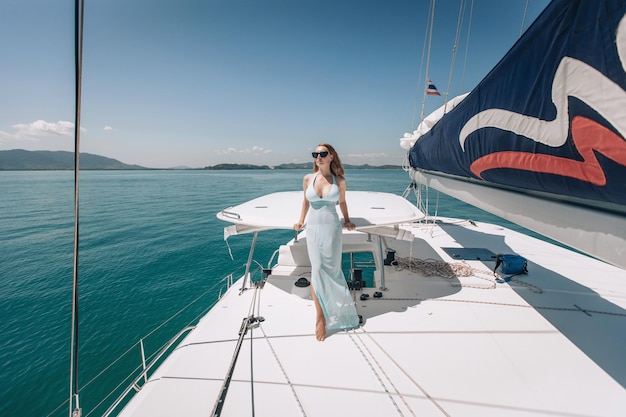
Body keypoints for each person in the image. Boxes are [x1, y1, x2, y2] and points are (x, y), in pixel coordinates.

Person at [294, 143, 360, 341]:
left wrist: (347, 220)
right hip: (313, 228)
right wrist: (300, 221)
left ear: (331, 156)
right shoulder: (308, 178)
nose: (318, 157)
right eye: (315, 154)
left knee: (332, 269)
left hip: (332, 228)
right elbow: (305, 202)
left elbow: (342, 202)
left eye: (323, 153)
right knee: (318, 268)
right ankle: (320, 315)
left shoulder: (339, 180)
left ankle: (333, 307)